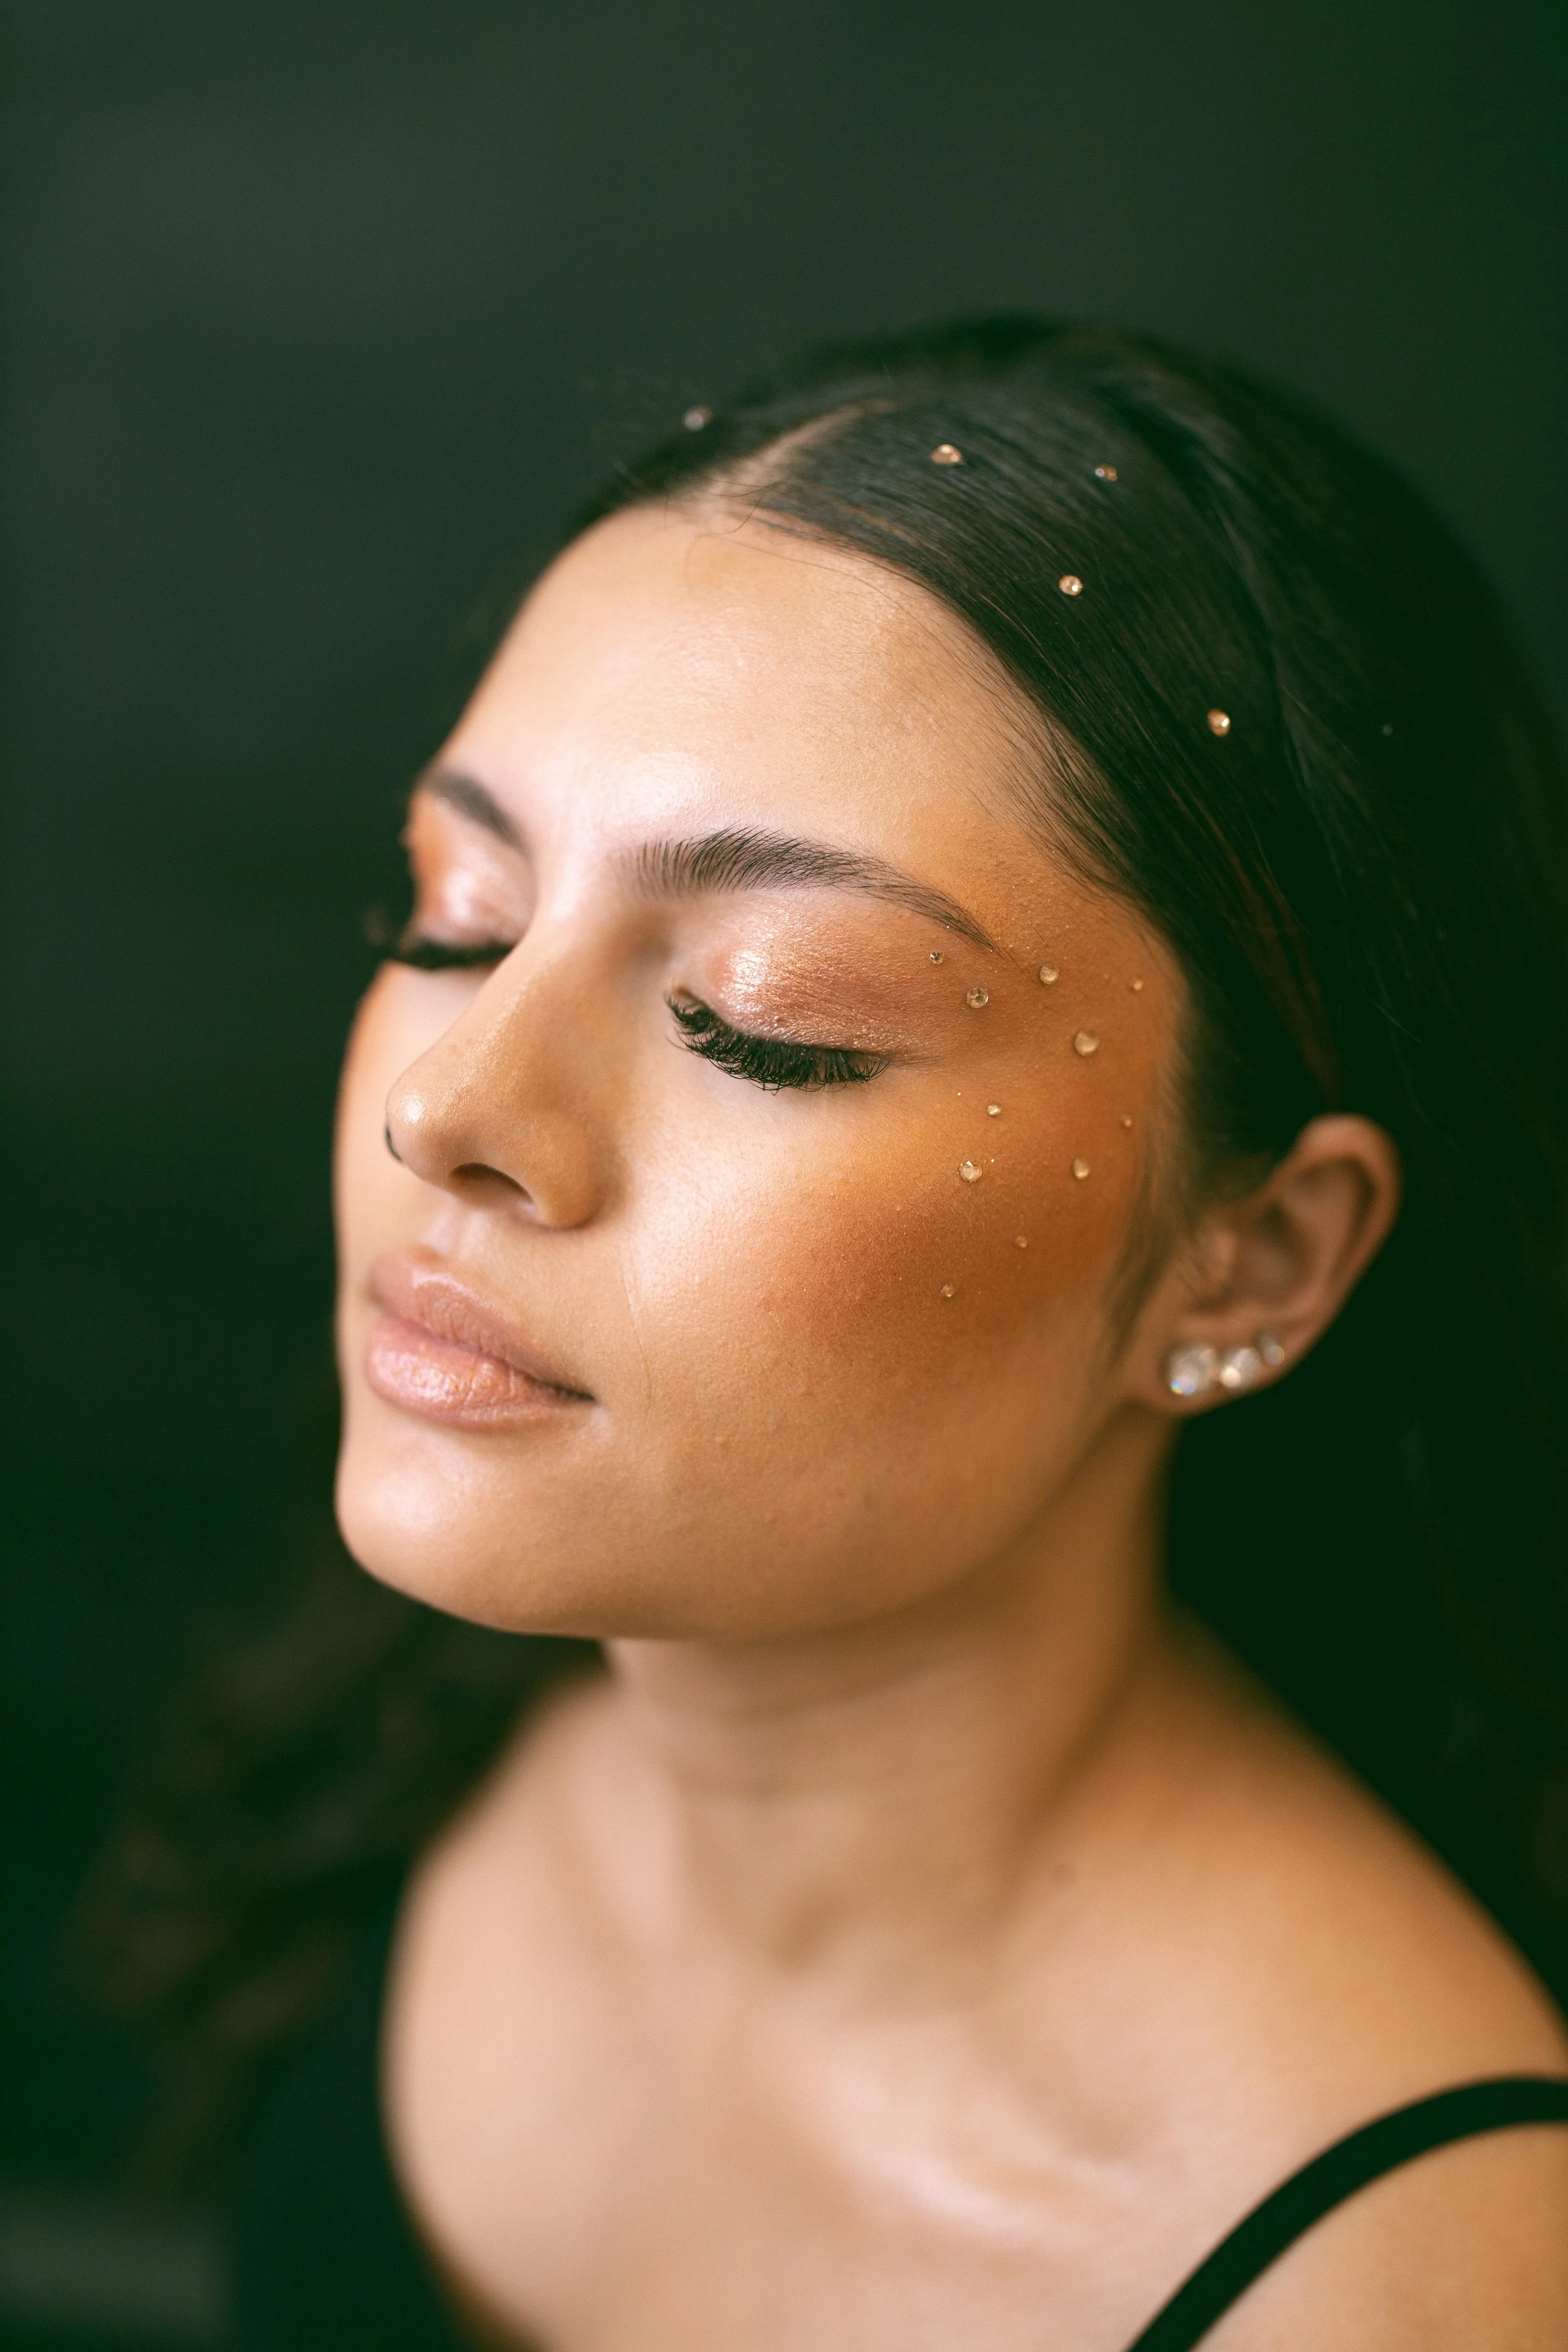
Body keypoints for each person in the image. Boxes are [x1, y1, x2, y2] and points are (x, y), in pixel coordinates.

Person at [95, 318, 1568, 2347]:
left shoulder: (1384, 2283)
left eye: (765, 1018)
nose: (450, 1106)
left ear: (1250, 1258)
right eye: (459, 915)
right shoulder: (409, 1744)